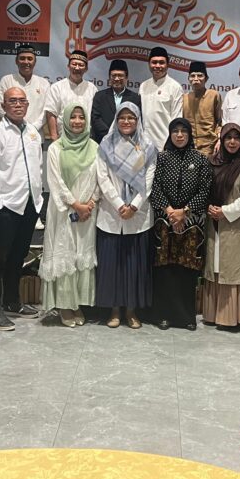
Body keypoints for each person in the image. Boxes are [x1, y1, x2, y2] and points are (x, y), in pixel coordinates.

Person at [0, 87, 44, 330]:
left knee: (18, 257)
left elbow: (37, 168)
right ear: (3, 105)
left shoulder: (33, 132)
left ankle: (12, 302)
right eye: (12, 101)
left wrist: (38, 199)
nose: (17, 105)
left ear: (27, 104)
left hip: (29, 205)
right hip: (5, 207)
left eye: (21, 101)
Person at [95, 102, 158, 329]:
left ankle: (131, 311)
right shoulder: (106, 144)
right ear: (116, 120)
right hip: (111, 215)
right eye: (122, 117)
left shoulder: (148, 146)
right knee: (112, 266)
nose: (126, 121)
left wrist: (134, 206)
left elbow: (149, 179)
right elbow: (102, 178)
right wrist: (120, 204)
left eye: (131, 117)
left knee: (135, 266)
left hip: (138, 216)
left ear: (138, 120)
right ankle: (114, 310)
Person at [40, 103, 100, 327]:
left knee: (81, 254)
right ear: (65, 120)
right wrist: (76, 205)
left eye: (81, 117)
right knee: (64, 253)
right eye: (72, 117)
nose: (77, 121)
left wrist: (90, 203)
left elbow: (101, 178)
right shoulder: (56, 148)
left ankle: (77, 304)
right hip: (64, 211)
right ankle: (64, 305)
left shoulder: (95, 147)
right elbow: (55, 181)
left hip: (88, 212)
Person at [150, 117, 212, 330]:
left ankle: (186, 317)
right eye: (175, 131)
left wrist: (184, 212)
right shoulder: (161, 158)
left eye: (183, 131)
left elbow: (204, 190)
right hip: (165, 222)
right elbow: (155, 187)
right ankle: (163, 315)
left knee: (186, 270)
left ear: (189, 134)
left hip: (191, 223)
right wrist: (170, 212)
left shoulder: (200, 159)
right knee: (165, 270)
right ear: (170, 134)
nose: (179, 135)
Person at [202, 124, 240, 328]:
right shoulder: (213, 162)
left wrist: (225, 211)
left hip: (236, 223)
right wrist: (209, 207)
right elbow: (205, 188)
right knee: (216, 265)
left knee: (233, 266)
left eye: (236, 138)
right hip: (214, 221)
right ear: (222, 140)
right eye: (228, 137)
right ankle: (212, 314)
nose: (232, 142)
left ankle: (233, 316)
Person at [44, 49, 98, 139]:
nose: (77, 68)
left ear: (86, 69)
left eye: (81, 65)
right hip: (63, 138)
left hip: (86, 139)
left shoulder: (92, 89)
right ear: (68, 66)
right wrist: (54, 137)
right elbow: (51, 113)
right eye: (74, 64)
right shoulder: (57, 87)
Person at [0, 44, 50, 133]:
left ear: (35, 61)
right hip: (10, 132)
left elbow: (47, 110)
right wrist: (15, 127)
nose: (26, 62)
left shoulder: (44, 83)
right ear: (16, 61)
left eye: (30, 59)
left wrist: (33, 128)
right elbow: (1, 108)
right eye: (22, 58)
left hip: (36, 133)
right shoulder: (6, 80)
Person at [139, 46, 184, 150]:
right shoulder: (143, 86)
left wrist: (171, 145)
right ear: (149, 64)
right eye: (154, 62)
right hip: (144, 145)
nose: (157, 66)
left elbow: (177, 120)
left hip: (165, 145)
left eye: (161, 62)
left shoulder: (175, 87)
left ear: (167, 65)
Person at [91, 59, 142, 142]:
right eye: (114, 75)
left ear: (126, 78)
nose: (117, 78)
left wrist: (123, 135)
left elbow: (137, 120)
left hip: (127, 141)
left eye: (120, 75)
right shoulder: (99, 96)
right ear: (109, 77)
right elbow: (95, 118)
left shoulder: (135, 98)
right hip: (103, 140)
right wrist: (111, 135)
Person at [181, 60, 221, 156]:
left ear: (206, 78)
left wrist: (220, 139)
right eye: (192, 76)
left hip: (210, 147)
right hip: (189, 147)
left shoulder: (214, 95)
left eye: (200, 75)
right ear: (188, 79)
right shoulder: (184, 98)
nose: (196, 79)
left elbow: (220, 121)